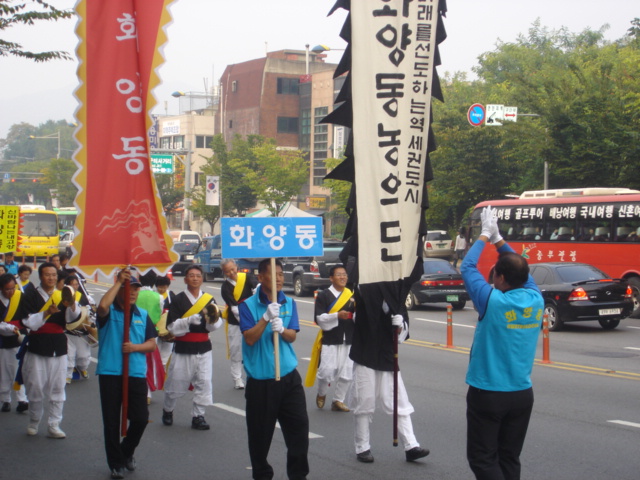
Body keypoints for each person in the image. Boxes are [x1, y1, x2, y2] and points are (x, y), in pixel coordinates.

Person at [460, 205, 544, 480]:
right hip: (521, 394)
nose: (491, 278)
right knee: (509, 457)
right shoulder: (535, 298)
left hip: (489, 392)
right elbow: (520, 269)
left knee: (483, 459)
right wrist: (498, 240)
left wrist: (484, 235)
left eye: (495, 274)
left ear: (501, 278)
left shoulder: (492, 300)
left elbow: (467, 266)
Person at [239, 258, 309, 480]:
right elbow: (249, 338)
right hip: (261, 383)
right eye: (273, 273)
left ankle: (298, 476)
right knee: (260, 439)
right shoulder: (247, 305)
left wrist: (282, 328)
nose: (279, 278)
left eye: (280, 274)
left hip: (289, 379)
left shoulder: (289, 302)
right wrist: (266, 318)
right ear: (260, 277)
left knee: (299, 433)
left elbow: (292, 336)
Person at [349, 285, 430, 464]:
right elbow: (355, 317)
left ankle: (411, 445)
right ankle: (362, 446)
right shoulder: (363, 291)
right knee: (364, 399)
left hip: (387, 355)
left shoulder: (398, 298)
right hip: (365, 353)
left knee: (398, 399)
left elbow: (403, 334)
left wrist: (400, 325)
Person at [95, 268, 157, 480]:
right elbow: (102, 305)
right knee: (112, 422)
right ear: (119, 289)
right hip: (110, 373)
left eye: (135, 289)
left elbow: (151, 344)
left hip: (136, 373)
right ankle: (116, 464)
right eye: (128, 288)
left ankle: (126, 451)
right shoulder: (108, 312)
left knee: (141, 419)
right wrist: (118, 282)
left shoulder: (143, 315)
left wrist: (135, 348)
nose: (132, 292)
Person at [20, 262, 81, 438]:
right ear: (40, 276)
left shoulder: (63, 295)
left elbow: (71, 319)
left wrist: (72, 305)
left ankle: (54, 424)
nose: (51, 278)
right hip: (38, 345)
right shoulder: (30, 295)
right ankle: (34, 421)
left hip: (59, 346)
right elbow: (28, 323)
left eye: (54, 275)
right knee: (35, 387)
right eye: (47, 275)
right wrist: (46, 313)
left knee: (58, 388)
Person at [162, 264, 222, 430]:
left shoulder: (209, 299)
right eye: (192, 275)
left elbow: (217, 321)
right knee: (176, 381)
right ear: (185, 278)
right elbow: (171, 327)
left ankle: (198, 416)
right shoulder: (178, 299)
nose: (195, 278)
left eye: (198, 275)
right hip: (183, 348)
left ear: (202, 279)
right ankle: (168, 410)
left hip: (204, 348)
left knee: (204, 382)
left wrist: (212, 323)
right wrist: (188, 321)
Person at [313, 265, 355, 412]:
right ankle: (322, 393)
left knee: (347, 371)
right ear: (331, 278)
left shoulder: (351, 295)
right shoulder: (324, 295)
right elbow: (319, 318)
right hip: (331, 338)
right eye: (339, 274)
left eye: (344, 274)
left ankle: (338, 400)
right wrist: (336, 315)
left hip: (349, 337)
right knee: (326, 370)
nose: (343, 277)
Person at [220, 258, 258, 390]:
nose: (232, 272)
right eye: (228, 271)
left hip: (253, 318)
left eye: (233, 269)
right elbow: (234, 308)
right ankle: (237, 378)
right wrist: (244, 323)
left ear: (236, 266)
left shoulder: (246, 277)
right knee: (236, 350)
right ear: (224, 273)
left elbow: (256, 291)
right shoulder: (225, 287)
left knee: (254, 349)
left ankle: (254, 375)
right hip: (235, 321)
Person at [135, 271, 165, 404]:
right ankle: (147, 392)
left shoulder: (135, 294)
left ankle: (136, 389)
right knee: (150, 361)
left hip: (135, 329)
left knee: (136, 358)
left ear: (140, 279)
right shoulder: (158, 297)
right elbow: (160, 312)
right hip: (152, 330)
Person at [0, 273, 28, 413]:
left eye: (13, 288)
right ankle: (5, 399)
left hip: (19, 338)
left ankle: (21, 399)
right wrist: (9, 327)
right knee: (4, 371)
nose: (11, 292)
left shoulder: (19, 296)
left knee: (19, 369)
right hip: (3, 340)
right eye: (7, 289)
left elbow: (27, 315)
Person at [63, 275, 92, 384]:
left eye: (76, 284)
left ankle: (82, 368)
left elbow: (89, 312)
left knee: (83, 356)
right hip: (68, 333)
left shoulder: (82, 297)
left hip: (80, 333)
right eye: (72, 284)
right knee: (69, 355)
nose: (75, 286)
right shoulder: (62, 297)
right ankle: (68, 374)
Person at [155, 275, 176, 367]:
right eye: (160, 287)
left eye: (164, 287)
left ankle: (163, 370)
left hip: (167, 328)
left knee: (167, 352)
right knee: (156, 350)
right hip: (156, 327)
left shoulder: (171, 295)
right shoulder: (153, 295)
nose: (162, 289)